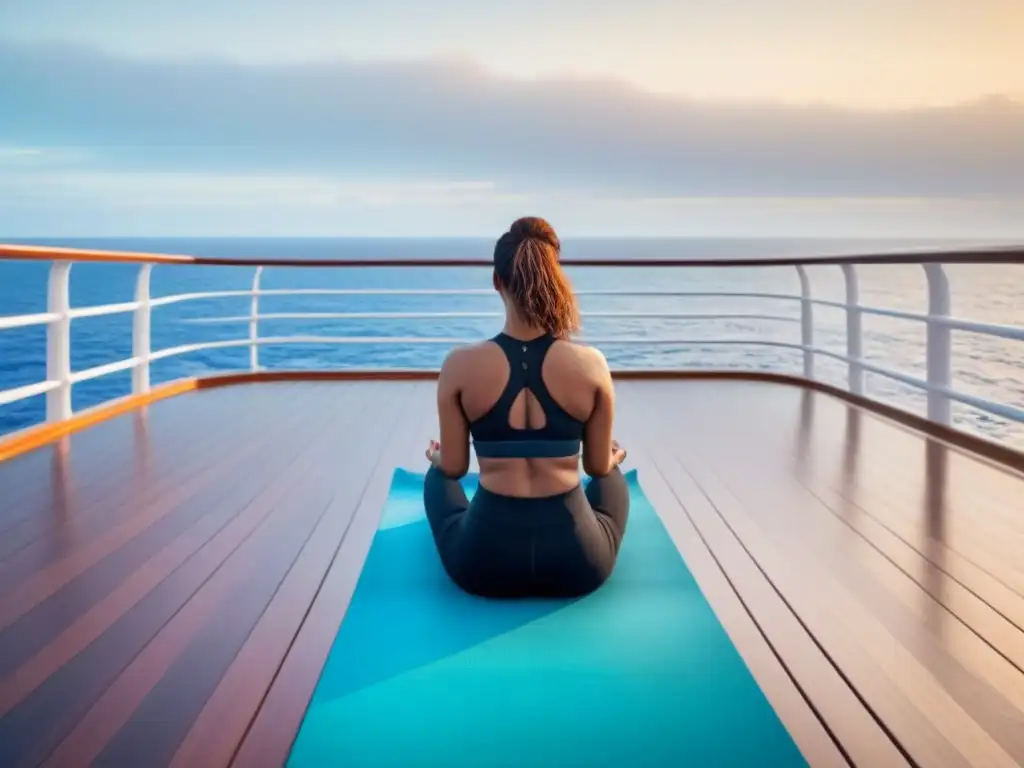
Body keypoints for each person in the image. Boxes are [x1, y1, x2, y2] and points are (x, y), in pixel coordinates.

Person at [423, 216, 630, 598]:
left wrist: (437, 460)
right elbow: (596, 467)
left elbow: (455, 468)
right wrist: (612, 459)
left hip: (483, 566)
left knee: (437, 478)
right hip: (579, 565)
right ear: (554, 277)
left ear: (497, 282)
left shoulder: (459, 365)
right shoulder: (592, 363)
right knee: (611, 477)